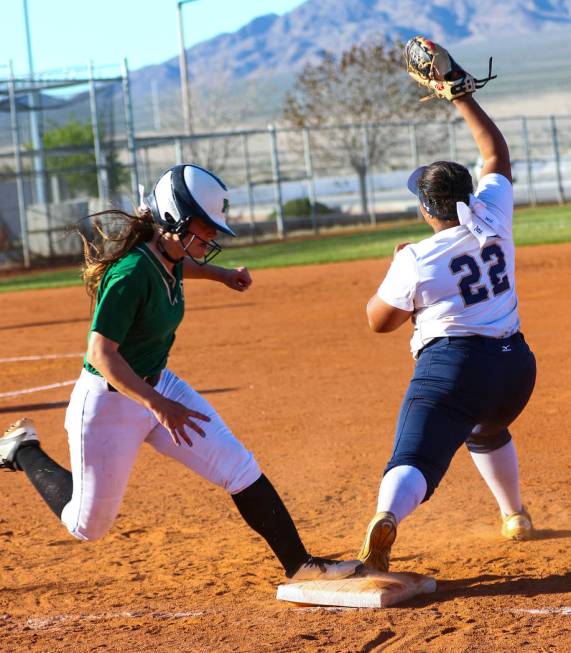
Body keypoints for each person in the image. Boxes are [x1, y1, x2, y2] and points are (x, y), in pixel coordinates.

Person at [0, 163, 361, 583]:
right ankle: (23, 450)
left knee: (239, 468)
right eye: (205, 228)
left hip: (160, 388)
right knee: (87, 525)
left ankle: (301, 565)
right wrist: (158, 405)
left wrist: (221, 275)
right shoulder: (130, 273)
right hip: (110, 403)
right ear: (173, 220)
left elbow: (178, 266)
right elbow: (100, 353)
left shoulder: (166, 253)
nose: (211, 237)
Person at [357, 91, 536, 572]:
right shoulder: (495, 212)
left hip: (455, 370)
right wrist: (461, 94)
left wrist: (396, 265)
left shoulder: (416, 258)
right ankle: (514, 514)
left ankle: (388, 514)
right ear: (470, 195)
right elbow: (495, 151)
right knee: (487, 424)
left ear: (425, 209)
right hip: (516, 369)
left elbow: (379, 320)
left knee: (416, 455)